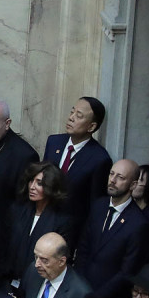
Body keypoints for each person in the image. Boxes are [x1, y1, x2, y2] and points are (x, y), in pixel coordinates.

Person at [75, 158, 149, 298]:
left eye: (120, 178)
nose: (113, 180)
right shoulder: (98, 206)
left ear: (133, 185)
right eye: (111, 174)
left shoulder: (139, 223)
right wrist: (79, 284)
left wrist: (97, 297)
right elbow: (83, 247)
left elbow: (127, 271)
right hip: (81, 291)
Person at [1, 161, 77, 288]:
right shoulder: (17, 210)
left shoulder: (62, 221)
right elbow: (5, 246)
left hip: (39, 284)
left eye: (39, 183)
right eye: (31, 181)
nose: (32, 187)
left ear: (51, 186)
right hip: (9, 281)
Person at [42, 96, 112, 230]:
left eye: (79, 116)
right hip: (43, 218)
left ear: (91, 126)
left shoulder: (100, 159)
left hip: (70, 228)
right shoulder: (53, 142)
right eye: (72, 112)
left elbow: (94, 205)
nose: (71, 118)